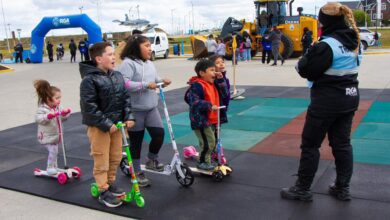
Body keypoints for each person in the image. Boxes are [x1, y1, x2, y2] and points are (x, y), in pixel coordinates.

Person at [280, 2, 362, 202]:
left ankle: (302, 189)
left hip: (326, 102)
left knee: (310, 145)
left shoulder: (327, 45)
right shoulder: (354, 41)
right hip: (350, 98)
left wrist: (304, 61)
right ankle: (342, 188)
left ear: (324, 21)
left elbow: (306, 70)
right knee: (342, 144)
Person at [79, 42, 135, 207]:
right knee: (101, 157)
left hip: (117, 125)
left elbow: (125, 99)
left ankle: (110, 182)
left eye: (113, 54)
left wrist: (129, 117)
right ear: (98, 59)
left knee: (116, 156)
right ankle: (102, 189)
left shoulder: (116, 76)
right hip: (100, 127)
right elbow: (89, 107)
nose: (113, 57)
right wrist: (106, 123)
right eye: (110, 54)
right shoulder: (89, 81)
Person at [118, 34, 171, 187]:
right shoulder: (128, 64)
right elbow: (125, 84)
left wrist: (162, 82)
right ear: (136, 47)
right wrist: (145, 85)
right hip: (135, 110)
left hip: (151, 107)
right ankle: (136, 171)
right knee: (136, 142)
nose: (150, 48)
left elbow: (154, 80)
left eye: (150, 45)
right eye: (147, 45)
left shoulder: (149, 63)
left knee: (159, 134)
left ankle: (151, 159)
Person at [184, 59, 229, 171]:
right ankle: (203, 162)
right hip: (201, 120)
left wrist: (220, 79)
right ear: (202, 73)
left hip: (213, 118)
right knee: (210, 142)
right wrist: (209, 105)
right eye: (212, 70)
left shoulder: (214, 84)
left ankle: (206, 159)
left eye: (215, 70)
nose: (215, 72)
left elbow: (225, 93)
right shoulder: (197, 86)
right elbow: (194, 101)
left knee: (209, 142)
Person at [34, 80, 71, 175]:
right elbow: (38, 119)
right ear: (48, 99)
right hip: (46, 136)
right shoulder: (43, 109)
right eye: (57, 98)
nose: (59, 100)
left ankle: (54, 166)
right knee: (53, 151)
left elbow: (62, 118)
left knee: (55, 151)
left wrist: (65, 114)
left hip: (56, 135)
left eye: (60, 98)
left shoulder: (58, 107)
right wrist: (48, 116)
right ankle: (50, 167)